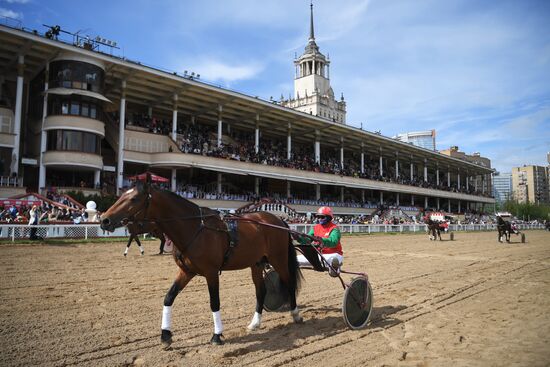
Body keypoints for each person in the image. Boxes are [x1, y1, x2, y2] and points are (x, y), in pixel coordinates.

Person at [297, 206, 343, 277]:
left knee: (333, 260)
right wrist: (299, 238)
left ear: (329, 217)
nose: (319, 219)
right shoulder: (316, 228)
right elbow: (307, 239)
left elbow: (333, 242)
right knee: (295, 259)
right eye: (318, 217)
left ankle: (335, 269)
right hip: (319, 255)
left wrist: (321, 240)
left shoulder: (334, 229)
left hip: (334, 254)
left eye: (322, 217)